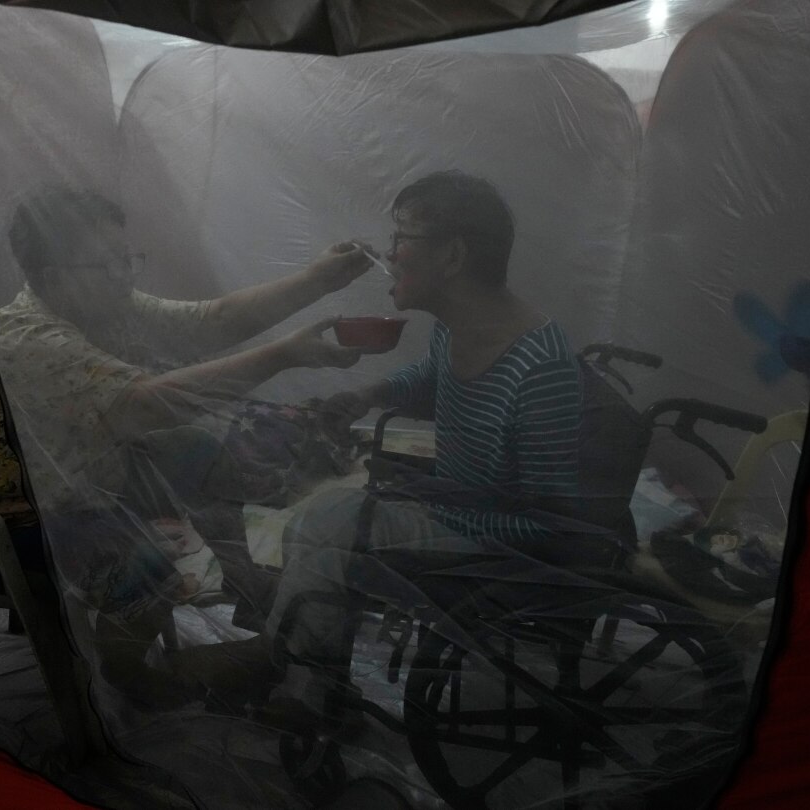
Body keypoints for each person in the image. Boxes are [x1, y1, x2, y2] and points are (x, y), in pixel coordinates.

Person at [179, 171, 584, 728]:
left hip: (496, 539)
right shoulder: (461, 325)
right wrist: (368, 393)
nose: (388, 254)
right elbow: (430, 377)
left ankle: (286, 670)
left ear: (453, 255)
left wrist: (432, 511)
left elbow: (552, 524)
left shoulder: (539, 367)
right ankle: (309, 674)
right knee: (317, 523)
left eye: (402, 238)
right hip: (458, 506)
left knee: (332, 518)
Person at [0, 187, 373, 700]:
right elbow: (146, 404)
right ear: (52, 278)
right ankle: (133, 677)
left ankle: (244, 581)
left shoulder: (106, 307)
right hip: (0, 519)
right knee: (146, 563)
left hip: (79, 478)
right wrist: (283, 355)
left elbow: (212, 322)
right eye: (107, 266)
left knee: (195, 446)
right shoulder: (26, 338)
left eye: (127, 260)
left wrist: (317, 280)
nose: (126, 276)